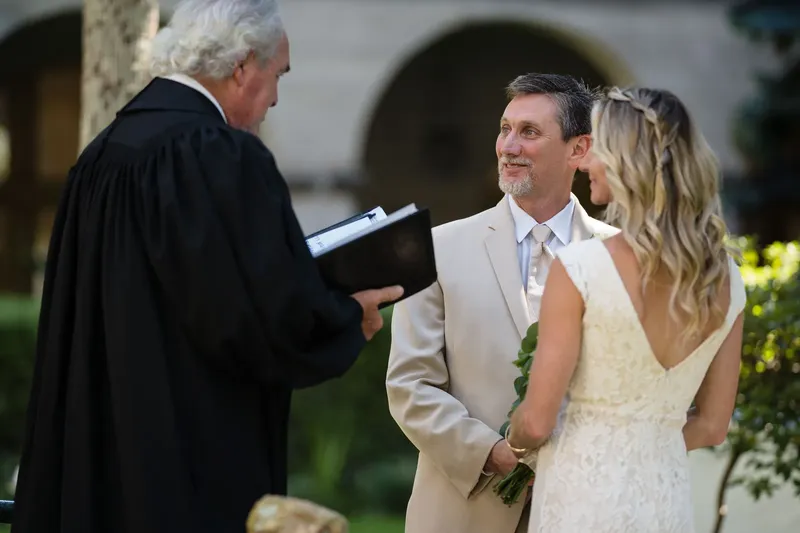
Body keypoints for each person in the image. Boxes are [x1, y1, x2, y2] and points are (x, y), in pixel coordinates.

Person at [11, 1, 402, 532]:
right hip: (186, 457)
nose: (276, 98)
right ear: (242, 66)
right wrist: (344, 315)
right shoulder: (219, 155)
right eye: (277, 75)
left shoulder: (102, 154)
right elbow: (255, 314)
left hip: (99, 451)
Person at [505, 87, 746, 533]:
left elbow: (537, 421)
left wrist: (514, 440)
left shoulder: (580, 267)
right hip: (665, 502)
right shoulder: (726, 279)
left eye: (597, 147)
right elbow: (713, 427)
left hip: (580, 502)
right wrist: (645, 441)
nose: (586, 161)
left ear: (624, 160)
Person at [385, 73, 618, 533]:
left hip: (589, 510)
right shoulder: (437, 249)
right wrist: (490, 454)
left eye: (529, 132)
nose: (508, 146)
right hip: (463, 512)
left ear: (579, 150)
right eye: (504, 129)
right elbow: (410, 385)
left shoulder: (621, 258)